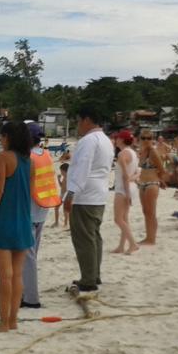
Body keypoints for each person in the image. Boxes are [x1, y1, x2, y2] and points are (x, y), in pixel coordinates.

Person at [0, 122, 35, 329]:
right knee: (17, 274)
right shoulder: (30, 161)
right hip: (23, 221)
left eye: (2, 136)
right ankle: (13, 320)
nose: (0, 140)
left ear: (9, 137)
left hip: (4, 221)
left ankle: (3, 322)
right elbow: (30, 192)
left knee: (5, 276)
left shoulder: (2, 158)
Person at [64, 107, 114, 293]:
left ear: (86, 120)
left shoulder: (89, 140)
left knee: (84, 238)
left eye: (78, 121)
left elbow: (81, 168)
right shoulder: (105, 140)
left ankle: (88, 278)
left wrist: (70, 193)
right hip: (98, 193)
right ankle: (94, 274)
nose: (78, 125)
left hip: (85, 195)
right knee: (93, 237)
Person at [21, 122, 61, 309]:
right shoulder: (46, 155)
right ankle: (25, 292)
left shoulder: (27, 158)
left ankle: (31, 298)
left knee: (28, 257)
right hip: (42, 209)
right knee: (32, 255)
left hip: (29, 210)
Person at [111, 130, 140, 254]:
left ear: (121, 140)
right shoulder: (133, 153)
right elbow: (136, 173)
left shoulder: (122, 154)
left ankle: (133, 244)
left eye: (117, 138)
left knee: (118, 219)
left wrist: (127, 193)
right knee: (124, 218)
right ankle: (121, 246)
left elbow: (124, 176)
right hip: (130, 187)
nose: (116, 140)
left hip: (123, 188)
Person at [136, 130, 165, 245]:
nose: (146, 140)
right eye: (143, 138)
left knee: (151, 212)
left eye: (149, 138)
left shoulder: (153, 152)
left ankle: (151, 239)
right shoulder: (142, 151)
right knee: (145, 211)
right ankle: (148, 236)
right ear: (140, 139)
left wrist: (160, 180)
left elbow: (162, 170)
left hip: (151, 184)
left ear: (152, 139)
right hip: (142, 183)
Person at [56, 163, 70, 228]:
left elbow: (67, 188)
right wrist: (59, 179)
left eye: (61, 171)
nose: (61, 172)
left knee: (65, 210)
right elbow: (62, 186)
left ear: (64, 171)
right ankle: (56, 222)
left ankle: (65, 223)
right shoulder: (64, 177)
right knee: (56, 207)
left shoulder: (68, 177)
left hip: (66, 195)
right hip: (62, 194)